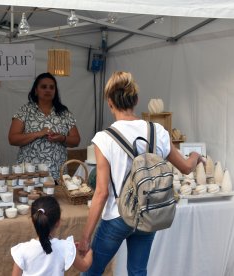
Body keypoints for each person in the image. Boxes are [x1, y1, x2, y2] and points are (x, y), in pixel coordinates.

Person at [78, 71, 205, 276]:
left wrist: (85, 237)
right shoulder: (158, 132)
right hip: (149, 212)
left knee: (92, 271)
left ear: (110, 103)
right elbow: (186, 168)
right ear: (136, 100)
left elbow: (101, 193)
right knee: (138, 271)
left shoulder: (104, 139)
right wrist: (195, 155)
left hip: (117, 216)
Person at [8, 72, 80, 181]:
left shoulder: (64, 112)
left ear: (55, 92)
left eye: (52, 87)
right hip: (30, 174)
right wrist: (38, 133)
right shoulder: (25, 110)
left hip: (57, 172)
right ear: (36, 90)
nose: (48, 90)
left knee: (58, 198)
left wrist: (62, 138)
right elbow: (12, 139)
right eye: (43, 87)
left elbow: (76, 140)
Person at [11, 196, 93, 276]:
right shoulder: (65, 247)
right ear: (58, 222)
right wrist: (89, 252)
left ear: (33, 221)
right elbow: (84, 266)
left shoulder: (22, 250)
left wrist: (71, 250)